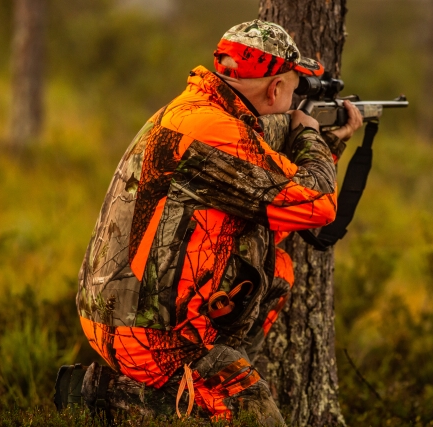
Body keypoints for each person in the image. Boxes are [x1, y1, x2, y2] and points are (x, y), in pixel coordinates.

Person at [74, 19, 362, 426]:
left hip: (127, 314)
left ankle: (138, 398)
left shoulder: (194, 112)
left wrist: (324, 145)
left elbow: (275, 209)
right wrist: (310, 135)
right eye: (294, 85)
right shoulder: (216, 130)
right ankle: (118, 398)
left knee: (277, 268)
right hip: (156, 336)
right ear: (276, 88)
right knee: (255, 418)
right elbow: (316, 204)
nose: (295, 95)